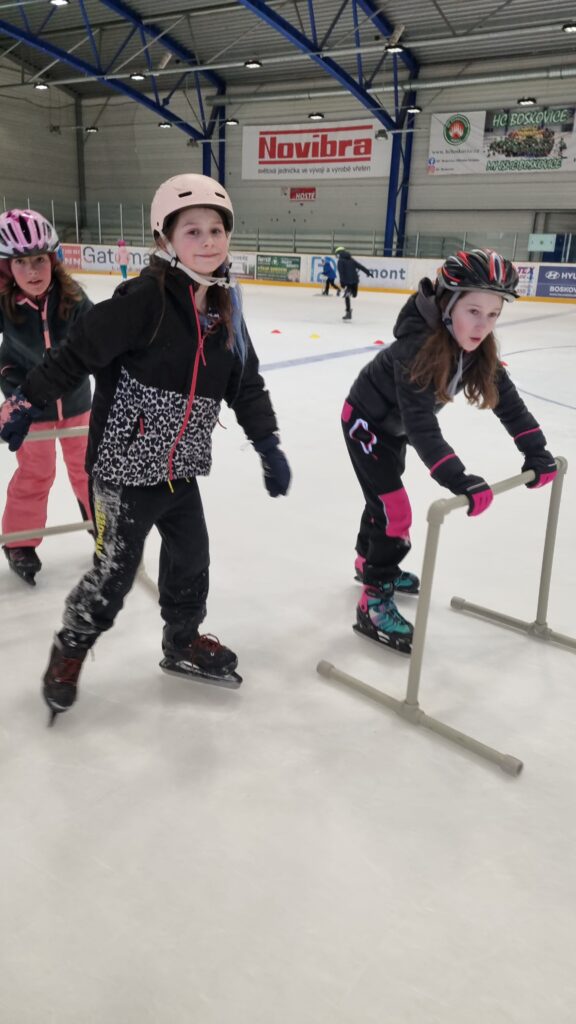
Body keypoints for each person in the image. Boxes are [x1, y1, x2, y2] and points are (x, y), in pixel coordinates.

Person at [0, 174, 291, 720]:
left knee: (191, 560)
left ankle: (182, 640)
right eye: (192, 231)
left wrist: (267, 442)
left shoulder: (226, 307)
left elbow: (244, 382)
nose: (208, 241)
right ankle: (72, 646)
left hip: (181, 468)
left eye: (216, 230)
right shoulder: (143, 300)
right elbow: (76, 353)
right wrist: (26, 401)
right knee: (114, 572)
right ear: (165, 239)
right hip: (123, 470)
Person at [341, 248, 557, 654]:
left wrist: (536, 450)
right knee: (394, 510)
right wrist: (460, 479)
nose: (482, 325)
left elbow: (508, 403)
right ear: (446, 304)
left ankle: (366, 562)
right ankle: (373, 599)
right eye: (473, 311)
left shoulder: (476, 350)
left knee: (383, 502)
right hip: (366, 424)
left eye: (493, 314)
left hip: (395, 427)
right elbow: (423, 428)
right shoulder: (415, 351)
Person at [0, 208, 93, 586]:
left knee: (89, 469)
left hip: (77, 403)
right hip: (28, 406)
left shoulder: (73, 298)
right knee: (36, 473)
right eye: (21, 262)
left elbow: (99, 340)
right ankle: (20, 542)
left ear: (53, 260)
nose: (32, 270)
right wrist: (12, 388)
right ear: (7, 268)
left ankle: (103, 527)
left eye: (39, 259)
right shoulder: (5, 303)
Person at [335, 246, 373, 320]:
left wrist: (342, 282)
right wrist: (367, 272)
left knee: (349, 296)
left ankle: (348, 293)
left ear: (339, 253)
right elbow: (360, 266)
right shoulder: (351, 259)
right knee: (351, 296)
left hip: (347, 281)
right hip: (355, 281)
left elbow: (341, 273)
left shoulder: (340, 261)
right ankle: (348, 312)